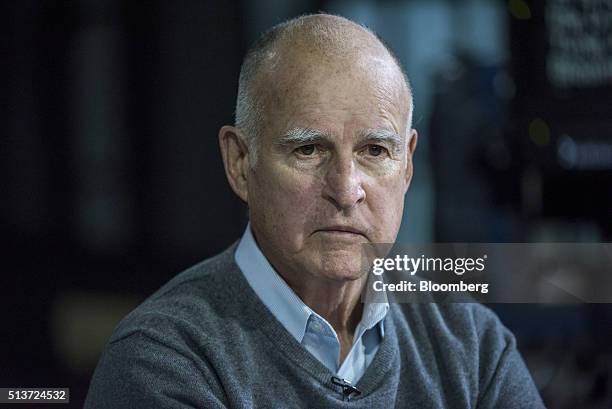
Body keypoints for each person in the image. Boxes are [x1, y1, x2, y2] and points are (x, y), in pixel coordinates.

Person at [85, 13, 545, 408]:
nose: (346, 190)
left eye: (374, 151)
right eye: (308, 149)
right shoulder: (163, 360)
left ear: (407, 165)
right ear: (240, 163)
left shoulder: (472, 345)